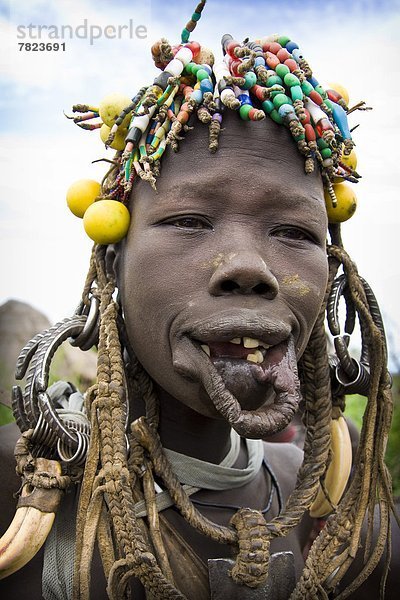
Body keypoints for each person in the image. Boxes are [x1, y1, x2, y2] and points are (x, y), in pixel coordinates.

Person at [0, 2, 397, 598]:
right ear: (114, 259)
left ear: (334, 274)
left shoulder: (347, 498)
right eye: (189, 220)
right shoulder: (16, 483)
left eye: (293, 232)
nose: (247, 267)